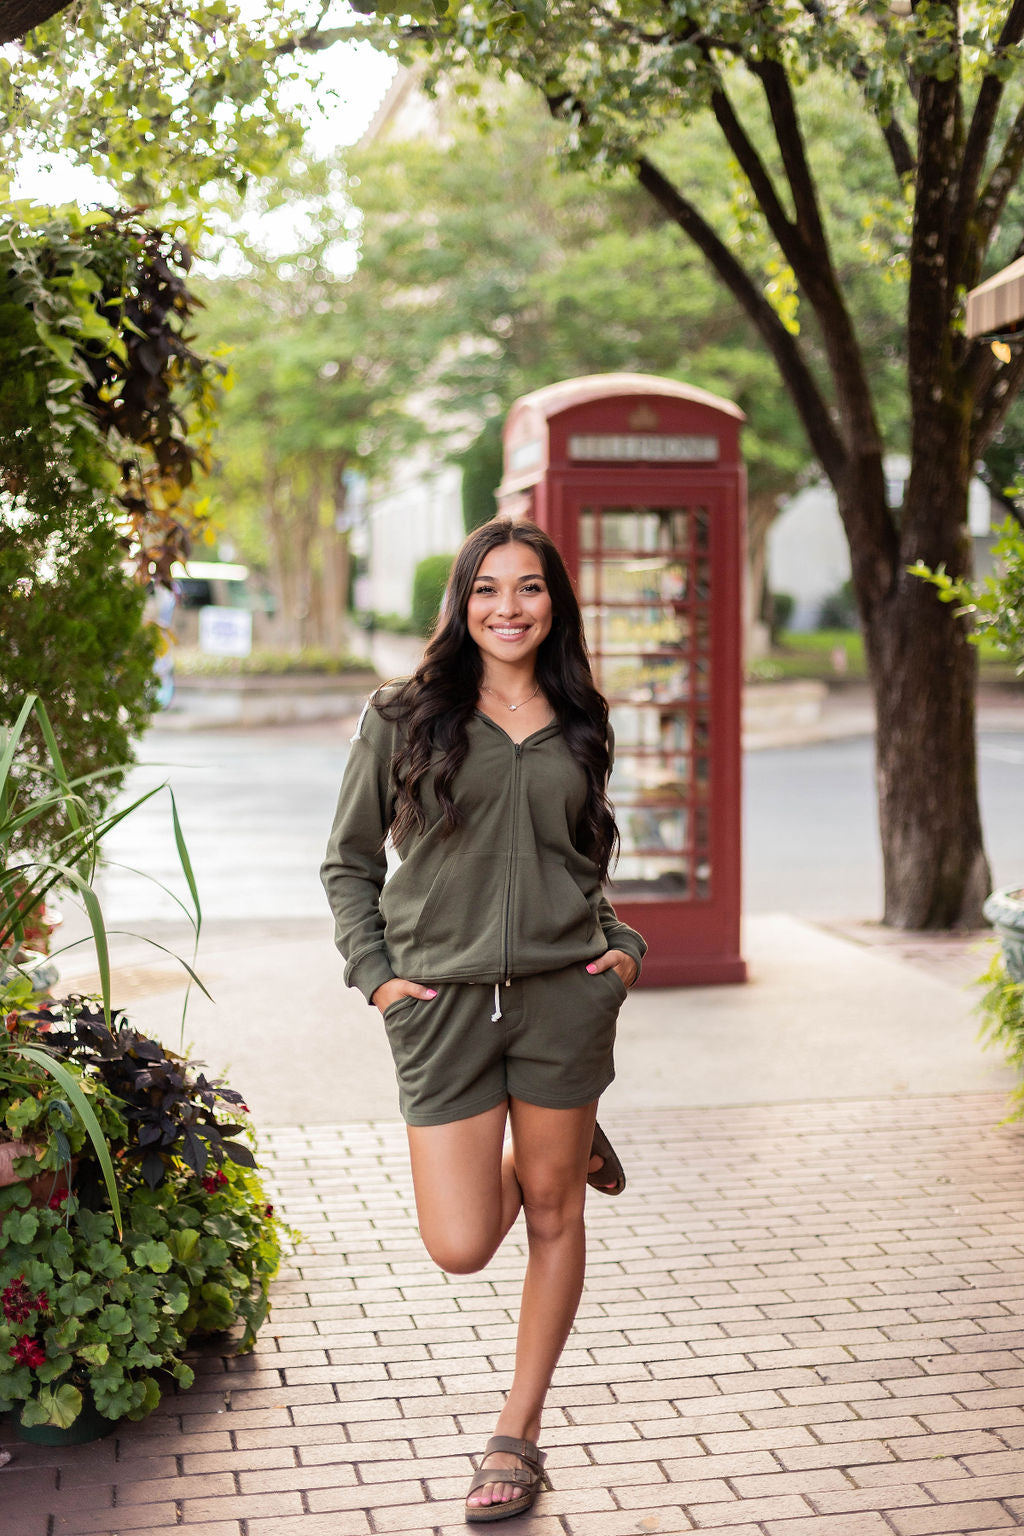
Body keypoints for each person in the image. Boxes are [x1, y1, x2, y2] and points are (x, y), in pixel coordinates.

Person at [321, 517, 646, 1524]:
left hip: (560, 999)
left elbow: (582, 859)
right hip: (442, 1005)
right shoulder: (403, 716)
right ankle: (551, 1142)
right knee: (459, 1244)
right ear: (462, 604)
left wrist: (621, 949)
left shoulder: (581, 714)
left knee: (556, 1216)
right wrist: (376, 977)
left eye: (530, 588)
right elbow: (350, 863)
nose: (509, 607)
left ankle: (517, 1434)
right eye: (488, 589)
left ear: (556, 603)